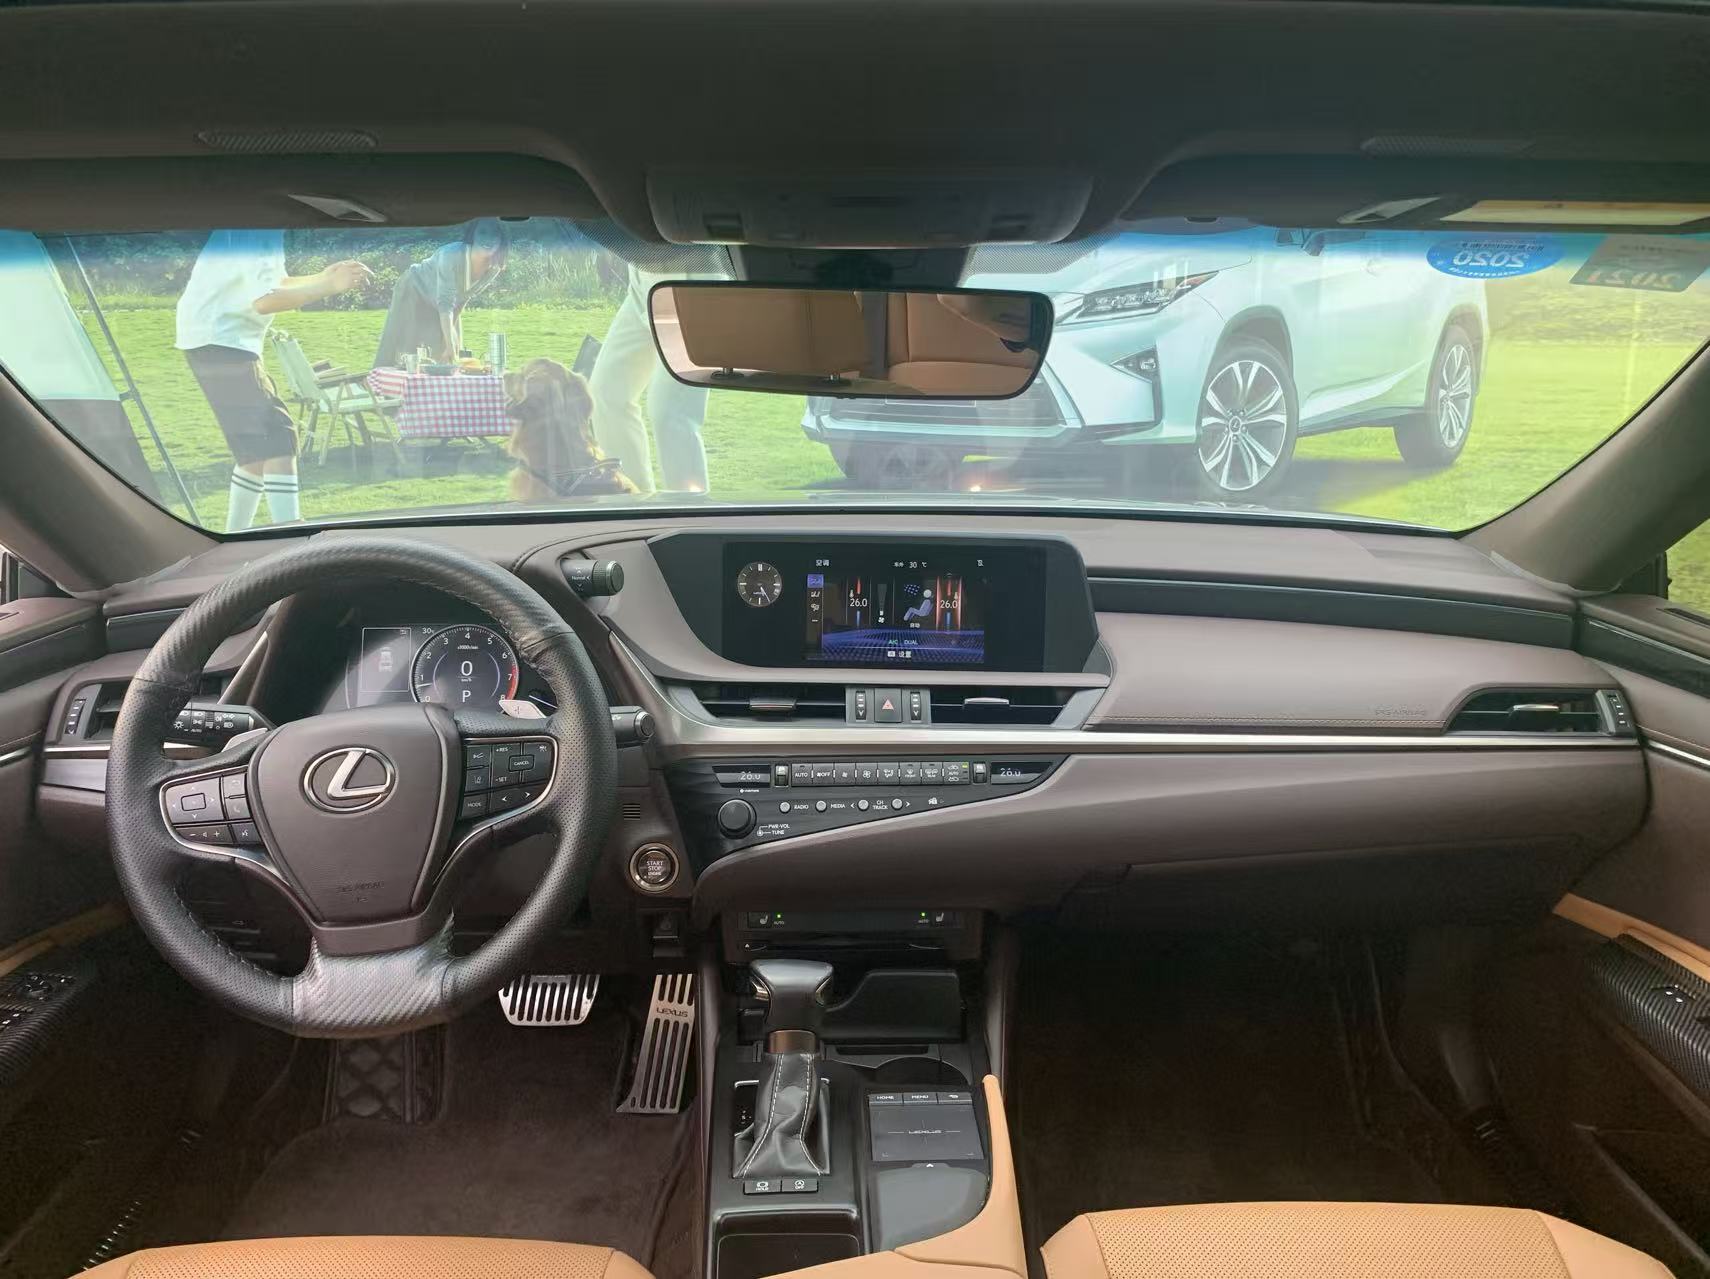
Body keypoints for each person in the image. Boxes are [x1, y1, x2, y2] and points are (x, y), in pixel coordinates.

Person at [176, 230, 371, 531]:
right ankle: (289, 530)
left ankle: (236, 536)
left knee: (255, 448)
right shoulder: (257, 227)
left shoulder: (259, 225)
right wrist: (329, 286)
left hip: (217, 338)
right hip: (222, 339)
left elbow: (274, 283)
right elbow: (265, 301)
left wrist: (321, 276)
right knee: (278, 434)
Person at [589, 262, 711, 495]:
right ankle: (632, 501)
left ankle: (688, 510)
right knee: (607, 394)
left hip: (689, 275)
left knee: (670, 412)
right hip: (641, 278)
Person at [373, 218, 509, 369]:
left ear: (501, 239)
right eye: (482, 232)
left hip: (443, 304)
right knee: (406, 348)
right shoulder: (450, 255)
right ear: (473, 235)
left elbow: (463, 298)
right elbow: (445, 303)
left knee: (446, 349)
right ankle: (382, 378)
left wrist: (450, 337)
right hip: (414, 288)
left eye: (495, 233)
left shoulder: (494, 268)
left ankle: (438, 380)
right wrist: (449, 341)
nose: (489, 238)